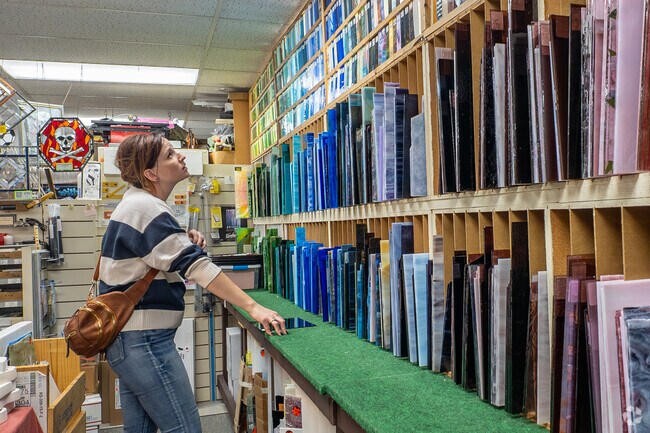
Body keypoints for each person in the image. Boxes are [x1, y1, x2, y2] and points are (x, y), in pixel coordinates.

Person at [99, 133, 286, 433]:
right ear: (151, 173)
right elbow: (198, 268)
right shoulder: (146, 208)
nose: (182, 157)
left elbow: (152, 256)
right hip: (144, 343)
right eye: (171, 155)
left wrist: (182, 238)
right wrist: (255, 308)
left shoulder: (137, 204)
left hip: (128, 342)